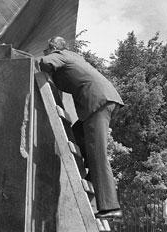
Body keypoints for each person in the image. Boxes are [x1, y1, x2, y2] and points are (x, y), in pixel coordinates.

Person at [39, 36, 124, 219]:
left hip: (97, 102)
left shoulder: (59, 54)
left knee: (97, 153)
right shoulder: (75, 57)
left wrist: (47, 57)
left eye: (47, 48)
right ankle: (94, 179)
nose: (46, 51)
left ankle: (110, 207)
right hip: (103, 100)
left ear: (53, 47)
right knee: (77, 134)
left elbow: (45, 62)